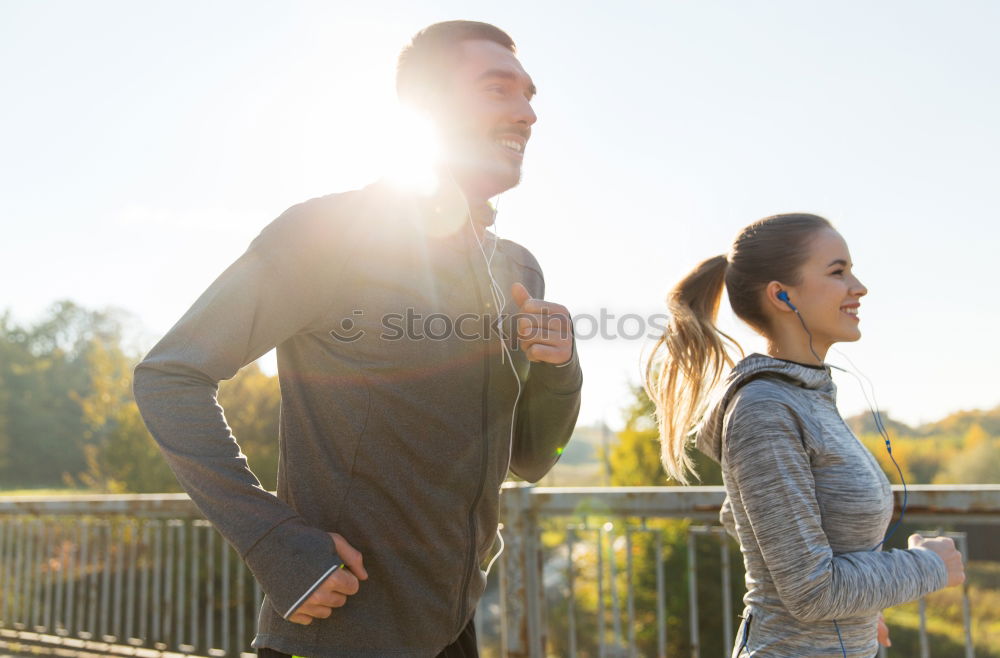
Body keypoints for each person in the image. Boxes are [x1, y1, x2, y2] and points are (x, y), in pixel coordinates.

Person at [132, 21, 582, 658]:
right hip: (334, 630)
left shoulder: (517, 268)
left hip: (453, 632)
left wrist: (559, 368)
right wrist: (274, 541)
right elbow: (169, 375)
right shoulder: (331, 233)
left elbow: (530, 459)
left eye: (530, 94)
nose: (528, 112)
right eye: (498, 90)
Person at [644, 213, 964, 657]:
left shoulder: (807, 397)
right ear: (781, 294)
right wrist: (929, 565)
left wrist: (862, 606)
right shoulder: (764, 409)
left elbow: (743, 519)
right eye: (838, 272)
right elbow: (811, 591)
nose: (859, 287)